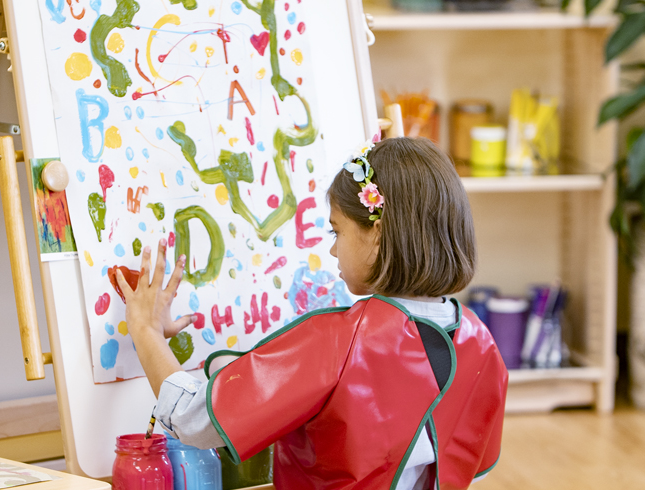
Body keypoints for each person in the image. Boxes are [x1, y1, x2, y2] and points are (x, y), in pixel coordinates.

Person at [115, 136, 508, 490]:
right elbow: (477, 461)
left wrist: (146, 330)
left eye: (337, 231)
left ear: (378, 231)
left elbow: (192, 420)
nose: (334, 250)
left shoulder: (339, 340)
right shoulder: (483, 344)